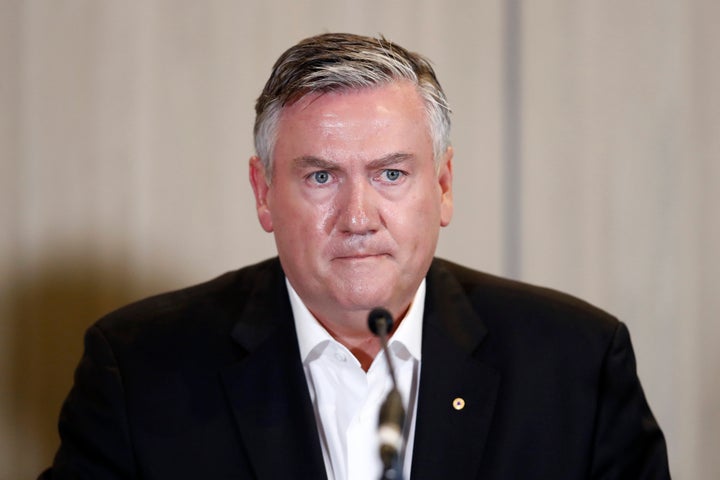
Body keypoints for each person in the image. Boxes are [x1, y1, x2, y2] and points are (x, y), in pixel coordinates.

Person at [39, 33, 670, 479]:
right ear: (264, 195)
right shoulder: (138, 368)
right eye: (320, 178)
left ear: (444, 188)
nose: (359, 218)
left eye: (392, 174)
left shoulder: (577, 361)